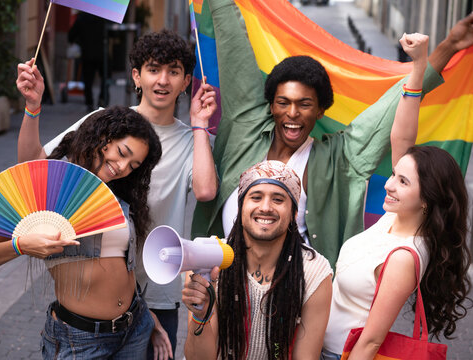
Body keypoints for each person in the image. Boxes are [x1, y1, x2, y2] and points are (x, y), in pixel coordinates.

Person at [191, 0, 473, 267]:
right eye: (283, 103)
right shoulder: (246, 126)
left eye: (305, 104)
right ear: (270, 105)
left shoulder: (340, 157)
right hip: (227, 289)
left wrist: (448, 47)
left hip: (298, 302)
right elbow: (232, 41)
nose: (292, 113)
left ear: (321, 111)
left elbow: (389, 109)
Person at [17, 29, 219, 360]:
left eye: (174, 71)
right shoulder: (104, 125)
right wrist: (33, 108)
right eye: (154, 69)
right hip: (91, 301)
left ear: (187, 82)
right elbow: (35, 167)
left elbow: (206, 189)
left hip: (156, 291)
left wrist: (199, 125)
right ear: (136, 76)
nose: (162, 80)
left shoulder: (193, 141)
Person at [321, 32, 471, 360]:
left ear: (427, 199)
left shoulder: (405, 255)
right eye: (394, 175)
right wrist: (418, 65)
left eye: (402, 182)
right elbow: (400, 135)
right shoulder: (398, 216)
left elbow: (372, 341)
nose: (389, 184)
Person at [0, 62, 164, 358]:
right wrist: (21, 245)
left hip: (134, 327)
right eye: (122, 153)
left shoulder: (119, 193)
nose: (123, 167)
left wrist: (147, 316)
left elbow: (123, 267)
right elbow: (29, 166)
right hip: (81, 340)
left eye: (134, 165)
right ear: (104, 136)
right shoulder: (58, 187)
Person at [183, 160, 333, 360]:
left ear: (294, 214)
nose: (265, 207)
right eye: (256, 197)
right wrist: (201, 315)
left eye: (278, 199)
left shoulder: (314, 272)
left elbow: (305, 356)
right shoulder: (209, 260)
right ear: (241, 207)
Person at [68, 11, 108, 112]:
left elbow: (71, 35)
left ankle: (89, 102)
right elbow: (112, 33)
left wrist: (77, 40)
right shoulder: (104, 16)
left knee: (88, 80)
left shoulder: (82, 16)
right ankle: (103, 98)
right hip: (102, 53)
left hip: (87, 53)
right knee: (105, 77)